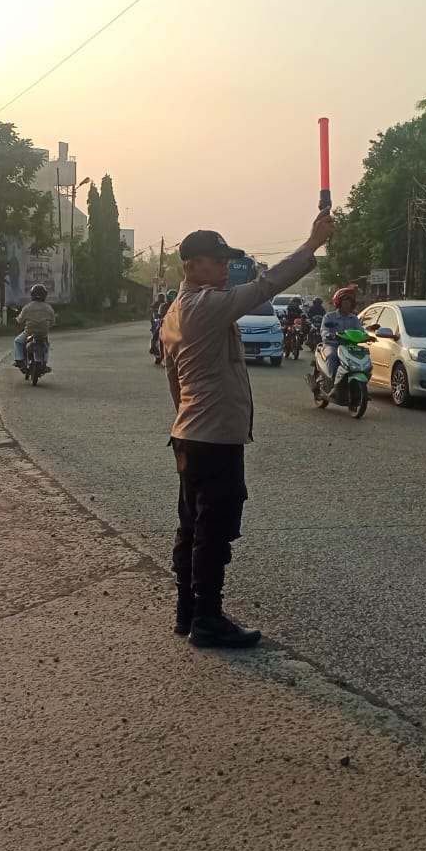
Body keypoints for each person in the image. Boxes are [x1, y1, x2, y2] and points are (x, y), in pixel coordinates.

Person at [161, 212, 335, 649]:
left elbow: (174, 382)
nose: (226, 267)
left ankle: (187, 611)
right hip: (214, 438)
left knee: (192, 526)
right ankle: (207, 620)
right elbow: (265, 286)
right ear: (191, 266)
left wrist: (189, 418)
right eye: (217, 260)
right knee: (213, 531)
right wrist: (311, 244)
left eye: (227, 260)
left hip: (190, 434)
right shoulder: (205, 305)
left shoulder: (174, 312)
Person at [316, 286, 365, 384]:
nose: (347, 305)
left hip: (350, 347)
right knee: (332, 356)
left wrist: (367, 337)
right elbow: (324, 331)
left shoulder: (354, 318)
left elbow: (360, 331)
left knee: (363, 357)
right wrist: (329, 335)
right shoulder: (329, 317)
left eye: (349, 303)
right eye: (345, 302)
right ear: (338, 303)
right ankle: (332, 382)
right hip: (333, 345)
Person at [14, 284, 55, 371]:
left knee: (17, 341)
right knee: (46, 345)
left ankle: (19, 360)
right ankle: (44, 363)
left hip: (29, 332)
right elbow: (52, 321)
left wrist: (17, 320)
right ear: (45, 295)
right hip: (43, 333)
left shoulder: (27, 307)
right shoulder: (48, 308)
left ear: (32, 294)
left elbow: (20, 320)